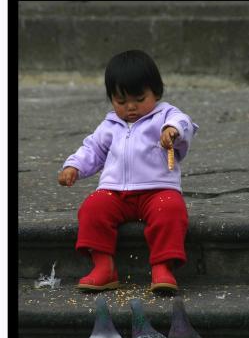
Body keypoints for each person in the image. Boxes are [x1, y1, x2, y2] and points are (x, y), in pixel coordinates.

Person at [58, 50, 198, 292]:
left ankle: (162, 267)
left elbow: (184, 122)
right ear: (112, 99)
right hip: (115, 192)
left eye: (139, 99)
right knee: (92, 208)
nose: (131, 107)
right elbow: (92, 149)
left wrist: (172, 130)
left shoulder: (164, 115)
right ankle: (104, 266)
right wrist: (74, 166)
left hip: (158, 190)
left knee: (172, 210)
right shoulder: (110, 124)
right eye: (121, 102)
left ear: (156, 92)